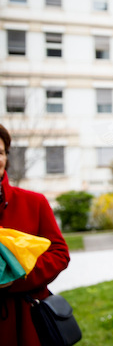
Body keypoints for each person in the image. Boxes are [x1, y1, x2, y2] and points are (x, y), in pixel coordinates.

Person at [0, 124, 71, 346]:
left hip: (26, 324)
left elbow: (60, 254)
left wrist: (12, 278)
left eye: (0, 152)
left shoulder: (34, 202)